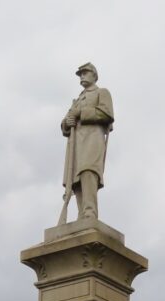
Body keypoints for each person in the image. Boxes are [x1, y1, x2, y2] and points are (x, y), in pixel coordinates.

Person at [61, 62, 114, 221]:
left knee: (88, 171)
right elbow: (66, 120)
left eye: (85, 73)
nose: (82, 77)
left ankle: (90, 213)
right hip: (76, 143)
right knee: (75, 179)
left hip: (92, 139)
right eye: (80, 74)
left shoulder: (101, 92)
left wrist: (81, 113)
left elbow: (107, 114)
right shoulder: (77, 100)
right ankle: (81, 215)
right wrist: (66, 124)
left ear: (94, 75)